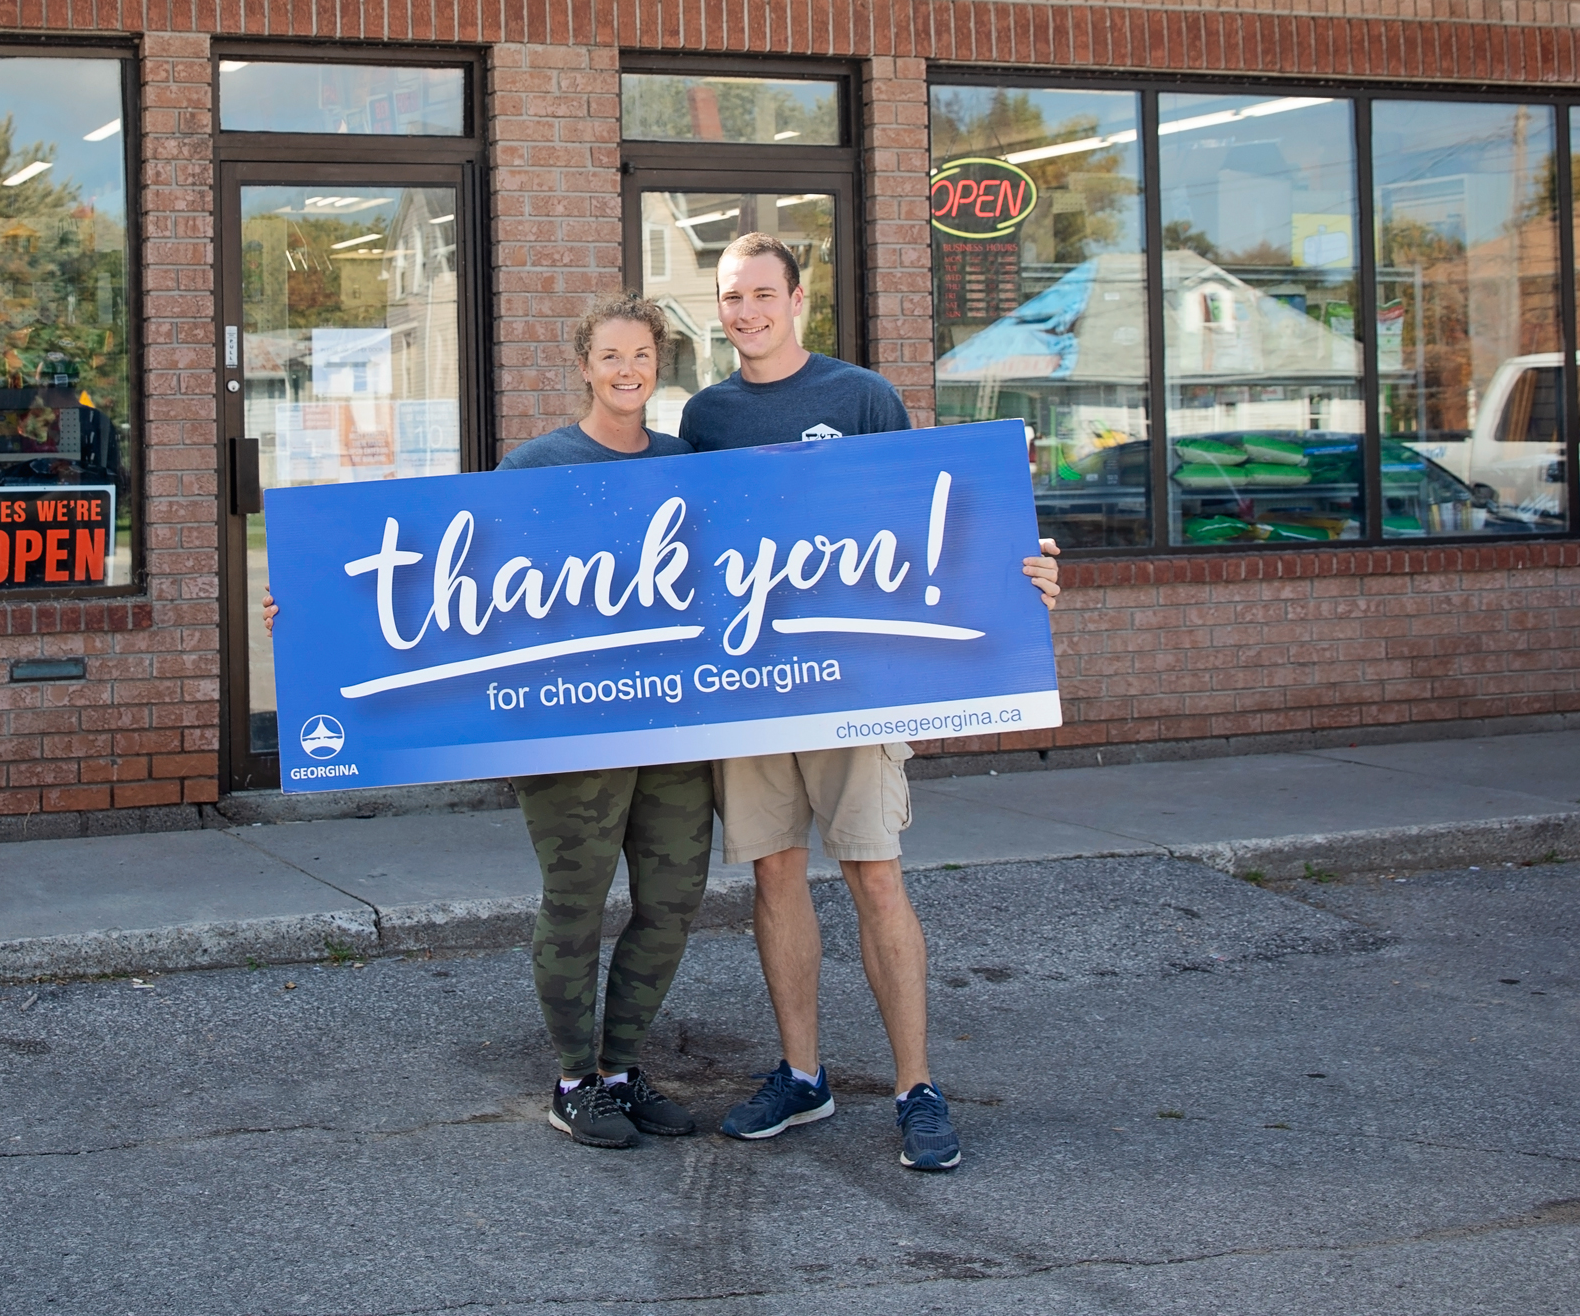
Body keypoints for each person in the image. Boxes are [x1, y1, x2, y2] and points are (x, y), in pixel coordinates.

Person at [265, 294, 714, 1153]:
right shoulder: (535, 467)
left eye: (643, 356)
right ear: (582, 367)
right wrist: (317, 608)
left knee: (673, 899)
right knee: (577, 901)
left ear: (660, 365)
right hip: (565, 727)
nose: (628, 371)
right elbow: (444, 581)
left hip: (671, 725)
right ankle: (574, 1078)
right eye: (611, 356)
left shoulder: (689, 462)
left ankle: (622, 1070)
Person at [680, 231, 1061, 1175]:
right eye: (731, 298)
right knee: (773, 877)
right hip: (755, 688)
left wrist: (1024, 573)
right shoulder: (705, 416)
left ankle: (916, 1086)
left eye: (763, 294)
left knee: (874, 875)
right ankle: (803, 1076)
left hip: (858, 683)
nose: (747, 312)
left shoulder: (860, 398)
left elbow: (939, 518)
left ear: (798, 300)